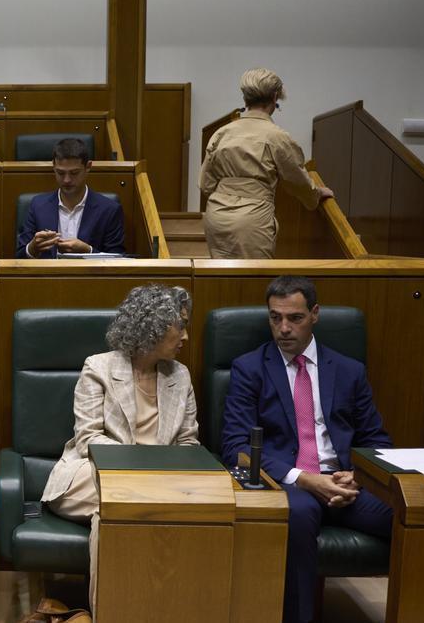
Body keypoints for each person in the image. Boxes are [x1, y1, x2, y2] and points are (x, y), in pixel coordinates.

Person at [222, 276, 392, 623]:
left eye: (294, 318)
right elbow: (236, 446)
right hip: (288, 480)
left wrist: (356, 476)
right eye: (275, 318)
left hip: (344, 481)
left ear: (315, 314)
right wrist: (305, 479)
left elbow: (377, 441)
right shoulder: (249, 368)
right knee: (296, 513)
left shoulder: (348, 371)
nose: (283, 328)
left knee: (410, 513)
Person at [41, 284, 197, 611]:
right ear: (154, 326)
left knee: (115, 510)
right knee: (118, 501)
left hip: (157, 483)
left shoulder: (179, 376)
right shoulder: (98, 368)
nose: (186, 336)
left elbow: (188, 443)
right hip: (92, 474)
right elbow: (88, 437)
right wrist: (143, 470)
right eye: (180, 325)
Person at [200, 68, 335, 258]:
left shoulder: (222, 133)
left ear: (245, 98)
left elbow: (205, 184)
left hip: (216, 215)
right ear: (274, 97)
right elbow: (297, 178)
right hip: (252, 218)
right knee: (254, 280)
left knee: (221, 280)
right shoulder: (277, 137)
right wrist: (316, 193)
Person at [17, 138, 125, 258]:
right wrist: (33, 248)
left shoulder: (109, 210)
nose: (66, 180)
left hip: (89, 276)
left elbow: (117, 260)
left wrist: (88, 251)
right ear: (53, 167)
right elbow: (19, 257)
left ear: (88, 167)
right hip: (47, 276)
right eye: (61, 173)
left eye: (74, 173)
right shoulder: (37, 205)